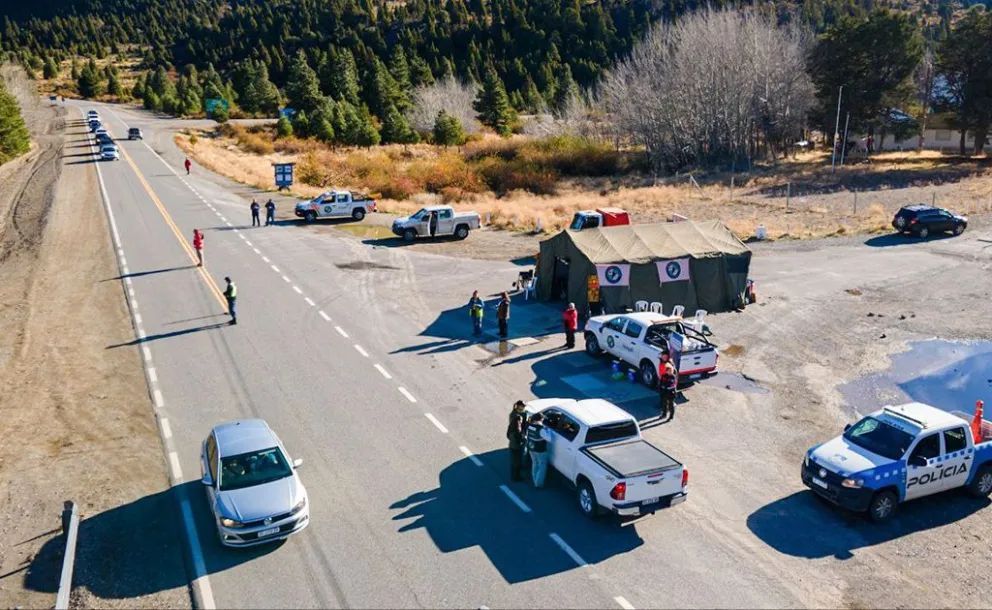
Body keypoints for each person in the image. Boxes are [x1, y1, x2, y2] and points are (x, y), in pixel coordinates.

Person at [526, 412, 550, 488]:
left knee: (535, 463)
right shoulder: (541, 429)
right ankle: (538, 484)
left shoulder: (530, 426)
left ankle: (535, 480)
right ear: (539, 420)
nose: (543, 420)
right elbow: (549, 438)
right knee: (542, 465)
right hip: (540, 450)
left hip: (531, 448)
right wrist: (547, 429)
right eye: (542, 419)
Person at [506, 401, 527, 481]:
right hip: (516, 442)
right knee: (516, 461)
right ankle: (515, 477)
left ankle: (516, 474)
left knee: (515, 459)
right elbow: (518, 430)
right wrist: (522, 439)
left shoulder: (513, 414)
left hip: (513, 440)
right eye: (523, 406)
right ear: (519, 406)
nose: (524, 408)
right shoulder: (517, 417)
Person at [658, 351, 679, 421]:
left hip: (670, 392)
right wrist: (661, 386)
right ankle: (664, 414)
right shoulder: (664, 374)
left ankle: (671, 417)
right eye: (663, 356)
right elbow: (661, 380)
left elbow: (672, 383)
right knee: (664, 403)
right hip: (664, 391)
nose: (664, 357)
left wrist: (667, 386)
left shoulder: (672, 376)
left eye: (665, 356)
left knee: (671, 404)